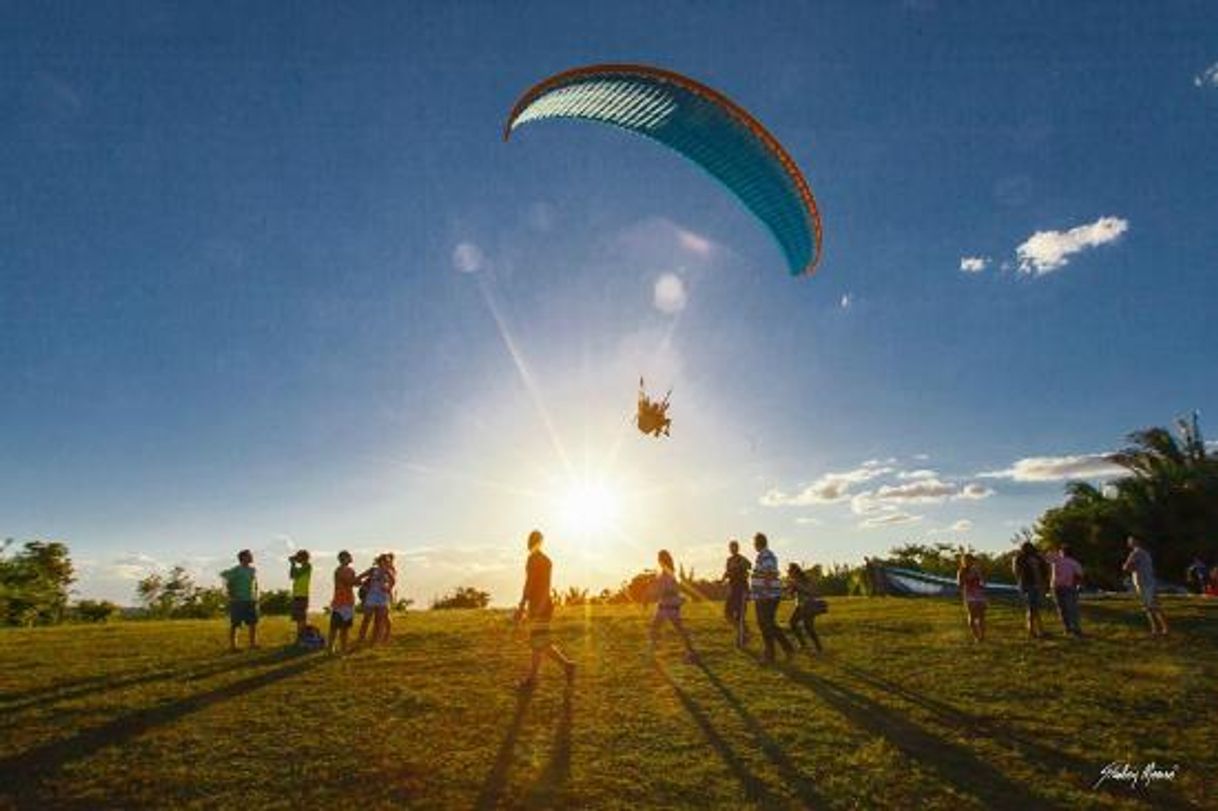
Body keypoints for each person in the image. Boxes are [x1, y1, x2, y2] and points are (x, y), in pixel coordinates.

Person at [515, 530, 575, 690]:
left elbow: (530, 583)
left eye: (531, 540)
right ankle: (567, 665)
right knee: (541, 643)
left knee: (537, 643)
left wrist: (522, 605)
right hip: (545, 604)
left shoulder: (533, 560)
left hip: (538, 605)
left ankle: (533, 679)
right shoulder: (546, 560)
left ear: (536, 542)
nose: (529, 543)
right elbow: (544, 585)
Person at [648, 550, 699, 663]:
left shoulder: (668, 573)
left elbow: (672, 590)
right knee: (657, 628)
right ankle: (651, 652)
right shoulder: (665, 572)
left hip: (669, 606)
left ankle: (691, 653)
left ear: (663, 559)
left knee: (674, 629)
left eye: (659, 558)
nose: (658, 560)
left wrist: (661, 592)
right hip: (666, 605)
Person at [750, 532, 793, 664]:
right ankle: (775, 652)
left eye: (754, 543)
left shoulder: (766, 555)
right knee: (765, 624)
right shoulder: (762, 556)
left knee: (767, 624)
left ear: (758, 543)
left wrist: (763, 592)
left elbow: (769, 574)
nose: (753, 545)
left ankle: (776, 652)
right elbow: (764, 574)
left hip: (767, 595)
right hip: (764, 595)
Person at [1123, 537, 1169, 636]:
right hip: (1149, 582)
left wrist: (1129, 567)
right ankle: (1159, 629)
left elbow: (1127, 567)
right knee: (1152, 606)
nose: (1128, 543)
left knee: (1150, 607)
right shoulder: (1146, 553)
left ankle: (1159, 629)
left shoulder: (1136, 553)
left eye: (1130, 541)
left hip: (1143, 583)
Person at [220, 549, 259, 652]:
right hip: (238, 601)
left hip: (250, 600)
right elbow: (225, 577)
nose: (251, 557)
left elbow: (254, 584)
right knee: (235, 624)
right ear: (243, 558)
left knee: (253, 623)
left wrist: (255, 595)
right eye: (249, 555)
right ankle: (233, 646)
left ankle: (253, 644)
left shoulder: (252, 570)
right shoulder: (236, 570)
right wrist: (230, 594)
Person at [356, 554, 395, 646]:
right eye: (384, 561)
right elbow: (360, 576)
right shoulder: (373, 570)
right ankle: (361, 639)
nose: (386, 563)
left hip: (382, 597)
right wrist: (362, 585)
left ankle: (374, 641)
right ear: (379, 561)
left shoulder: (388, 571)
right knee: (367, 618)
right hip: (372, 596)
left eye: (387, 561)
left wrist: (388, 588)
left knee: (379, 620)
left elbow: (393, 581)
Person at [1012, 541, 1049, 639]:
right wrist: (1021, 584)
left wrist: (1044, 584)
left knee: (1034, 608)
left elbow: (1045, 570)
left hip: (1038, 585)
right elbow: (1016, 572)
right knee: (1032, 608)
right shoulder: (1020, 558)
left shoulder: (1038, 558)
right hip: (1028, 585)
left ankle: (1035, 629)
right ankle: (1035, 630)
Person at [786, 563, 823, 654]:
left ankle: (819, 648)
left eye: (790, 571)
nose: (789, 574)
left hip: (809, 605)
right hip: (800, 606)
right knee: (792, 623)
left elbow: (811, 591)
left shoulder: (805, 579)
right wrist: (790, 589)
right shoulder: (794, 581)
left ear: (795, 571)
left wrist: (797, 585)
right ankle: (803, 644)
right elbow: (790, 595)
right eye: (788, 572)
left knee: (808, 627)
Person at [1049, 544, 1085, 637]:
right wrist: (1077, 584)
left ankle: (1070, 628)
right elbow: (1079, 576)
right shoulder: (1074, 562)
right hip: (1065, 587)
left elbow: (1047, 556)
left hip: (1059, 587)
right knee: (1070, 609)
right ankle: (1073, 628)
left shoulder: (1057, 560)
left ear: (1062, 552)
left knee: (1064, 609)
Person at [721, 539, 751, 648]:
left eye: (734, 547)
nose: (732, 549)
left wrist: (740, 567)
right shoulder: (729, 560)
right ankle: (745, 631)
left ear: (737, 548)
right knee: (727, 614)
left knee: (740, 616)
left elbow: (749, 566)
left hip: (742, 589)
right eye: (731, 547)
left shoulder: (741, 558)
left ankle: (741, 639)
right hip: (732, 589)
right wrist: (723, 579)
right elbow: (727, 572)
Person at [327, 550, 358, 654]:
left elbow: (355, 583)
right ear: (343, 558)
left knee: (345, 628)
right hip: (340, 602)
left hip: (348, 602)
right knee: (334, 627)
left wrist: (362, 580)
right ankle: (331, 648)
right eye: (348, 556)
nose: (350, 557)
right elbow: (349, 582)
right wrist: (365, 575)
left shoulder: (351, 570)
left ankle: (343, 648)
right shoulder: (339, 570)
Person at [956, 553, 986, 643]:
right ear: (963, 562)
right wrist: (966, 578)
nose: (969, 562)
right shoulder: (960, 571)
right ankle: (976, 636)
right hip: (969, 595)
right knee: (972, 616)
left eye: (971, 560)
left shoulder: (977, 570)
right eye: (966, 560)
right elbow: (959, 585)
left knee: (981, 616)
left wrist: (980, 579)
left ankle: (982, 636)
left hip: (979, 595)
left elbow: (982, 581)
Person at [288, 550, 312, 640]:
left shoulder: (307, 566)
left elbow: (296, 575)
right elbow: (292, 576)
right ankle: (300, 637)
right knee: (298, 618)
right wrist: (292, 564)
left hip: (302, 595)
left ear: (303, 557)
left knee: (301, 618)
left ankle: (302, 637)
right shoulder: (300, 567)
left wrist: (293, 563)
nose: (297, 558)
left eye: (298, 557)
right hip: (297, 595)